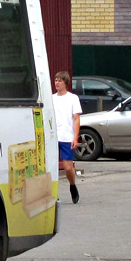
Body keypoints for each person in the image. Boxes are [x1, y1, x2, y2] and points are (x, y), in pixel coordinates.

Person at [53, 71, 82, 204]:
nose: (57, 83)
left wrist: (75, 138)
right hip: (53, 137)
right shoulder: (51, 98)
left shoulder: (73, 98)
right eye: (55, 80)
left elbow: (76, 119)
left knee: (68, 167)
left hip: (67, 136)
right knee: (51, 167)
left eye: (59, 80)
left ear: (66, 82)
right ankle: (53, 193)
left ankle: (72, 185)